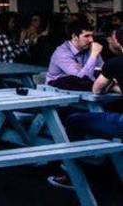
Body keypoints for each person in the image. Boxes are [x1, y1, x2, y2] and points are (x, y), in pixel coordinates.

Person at [47, 56, 123, 189]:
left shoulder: (115, 63)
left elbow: (97, 90)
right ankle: (101, 163)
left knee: (74, 121)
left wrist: (113, 86)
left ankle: (74, 175)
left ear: (116, 40)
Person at [46, 20, 104, 90]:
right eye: (87, 36)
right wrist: (93, 56)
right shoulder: (62, 53)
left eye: (92, 36)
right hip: (56, 91)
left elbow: (103, 72)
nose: (91, 40)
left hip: (80, 90)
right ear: (74, 37)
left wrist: (85, 69)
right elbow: (81, 79)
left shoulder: (89, 48)